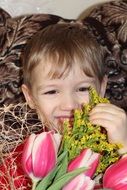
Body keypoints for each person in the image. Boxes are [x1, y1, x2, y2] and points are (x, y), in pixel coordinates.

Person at [22, 22, 127, 155]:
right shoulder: (19, 162)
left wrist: (123, 149)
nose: (70, 105)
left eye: (82, 89)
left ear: (101, 88)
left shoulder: (119, 136)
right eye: (52, 91)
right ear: (30, 97)